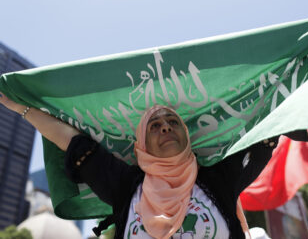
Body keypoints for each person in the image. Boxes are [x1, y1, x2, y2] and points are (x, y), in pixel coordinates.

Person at [0, 92, 285, 239]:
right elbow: (70, 140)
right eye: (155, 125)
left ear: (186, 135)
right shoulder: (125, 186)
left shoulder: (218, 180)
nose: (165, 128)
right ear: (142, 143)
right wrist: (19, 108)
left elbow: (268, 130)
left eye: (173, 122)